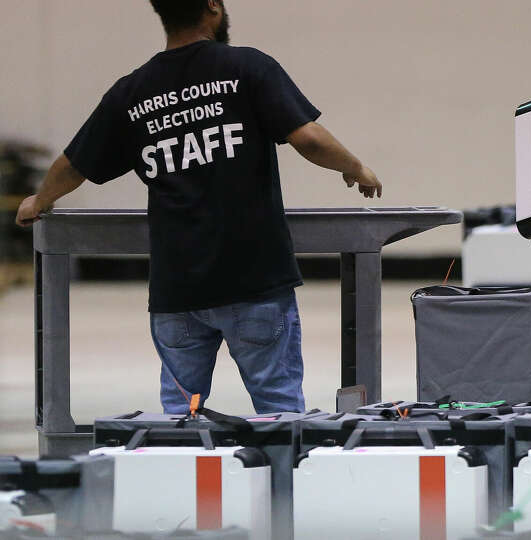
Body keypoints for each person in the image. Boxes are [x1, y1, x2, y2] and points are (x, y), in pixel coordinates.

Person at [15, 0, 382, 415]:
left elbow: (73, 164)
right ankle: (280, 481)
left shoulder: (131, 92)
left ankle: (184, 474)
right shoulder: (247, 67)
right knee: (280, 414)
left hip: (178, 293)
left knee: (179, 421)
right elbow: (309, 138)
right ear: (213, 6)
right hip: (255, 283)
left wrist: (40, 200)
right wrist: (357, 168)